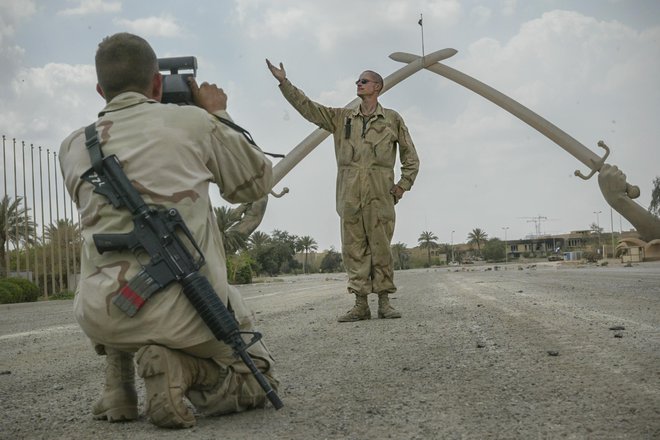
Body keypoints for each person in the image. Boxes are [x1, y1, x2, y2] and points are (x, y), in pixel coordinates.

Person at [59, 33, 278, 429]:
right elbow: (255, 183)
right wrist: (218, 114)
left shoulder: (73, 146)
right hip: (188, 315)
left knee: (117, 255)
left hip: (103, 314)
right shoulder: (194, 122)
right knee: (258, 379)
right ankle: (182, 370)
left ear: (99, 90)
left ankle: (118, 389)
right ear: (158, 84)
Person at [266, 59, 420, 322]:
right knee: (353, 250)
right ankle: (361, 304)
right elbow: (309, 109)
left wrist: (401, 187)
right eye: (357, 81)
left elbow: (411, 158)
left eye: (364, 81)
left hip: (380, 197)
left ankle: (384, 303)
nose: (358, 84)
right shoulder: (342, 118)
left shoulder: (392, 119)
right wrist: (284, 82)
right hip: (349, 197)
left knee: (381, 248)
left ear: (378, 87)